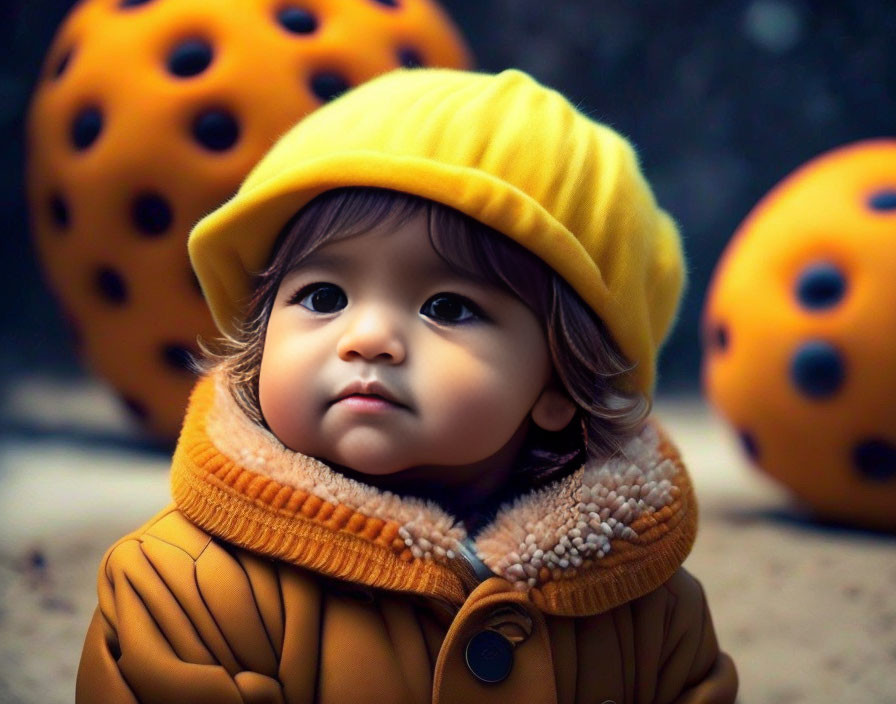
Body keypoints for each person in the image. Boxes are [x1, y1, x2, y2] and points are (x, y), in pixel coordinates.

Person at [76, 68, 738, 703]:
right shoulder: (181, 590)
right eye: (323, 294)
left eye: (447, 307)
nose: (366, 337)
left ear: (562, 382)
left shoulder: (647, 610)